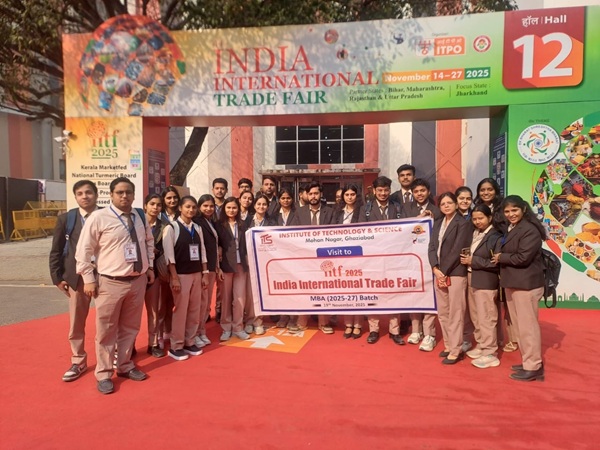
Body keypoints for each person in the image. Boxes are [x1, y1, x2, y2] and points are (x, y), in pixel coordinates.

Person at [76, 177, 154, 394]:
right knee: (106, 330)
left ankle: (125, 365)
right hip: (110, 283)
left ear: (134, 194)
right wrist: (88, 279)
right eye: (120, 192)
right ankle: (103, 373)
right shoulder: (99, 217)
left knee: (130, 328)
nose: (124, 196)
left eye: (128, 192)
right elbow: (83, 251)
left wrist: (149, 267)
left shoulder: (139, 216)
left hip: (137, 281)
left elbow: (148, 242)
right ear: (111, 195)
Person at [492, 195, 546, 382]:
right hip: (514, 283)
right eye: (507, 211)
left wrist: (501, 257)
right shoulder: (513, 227)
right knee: (520, 327)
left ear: (523, 209)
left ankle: (534, 366)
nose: (510, 214)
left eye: (514, 210)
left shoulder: (530, 230)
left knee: (527, 327)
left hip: (526, 284)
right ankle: (529, 361)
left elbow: (523, 257)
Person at [49, 180, 99, 382]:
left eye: (88, 192)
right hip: (76, 277)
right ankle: (78, 360)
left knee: (108, 321)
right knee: (77, 323)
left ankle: (112, 356)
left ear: (96, 194)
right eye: (80, 193)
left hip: (104, 275)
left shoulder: (107, 215)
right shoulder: (66, 219)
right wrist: (57, 277)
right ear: (76, 197)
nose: (84, 196)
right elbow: (56, 250)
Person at [162, 195, 209, 361]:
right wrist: (174, 277)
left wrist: (204, 273)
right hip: (180, 275)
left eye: (194, 207)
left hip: (196, 273)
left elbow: (202, 251)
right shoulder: (172, 228)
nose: (191, 210)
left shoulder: (197, 228)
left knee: (195, 309)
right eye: (187, 206)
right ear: (180, 208)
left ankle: (190, 341)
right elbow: (169, 256)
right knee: (181, 311)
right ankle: (176, 346)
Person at [427, 192, 472, 364]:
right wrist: (435, 267)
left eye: (449, 203)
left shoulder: (463, 223)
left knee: (456, 313)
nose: (446, 206)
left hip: (455, 273)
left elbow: (457, 249)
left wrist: (443, 271)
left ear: (456, 204)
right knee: (443, 312)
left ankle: (456, 349)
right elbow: (431, 247)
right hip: (439, 273)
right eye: (443, 204)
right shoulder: (438, 223)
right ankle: (448, 345)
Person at [473, 178, 517, 353]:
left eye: (489, 189)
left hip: (502, 258)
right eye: (482, 190)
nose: (486, 193)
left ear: (496, 191)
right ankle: (495, 339)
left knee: (507, 303)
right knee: (489, 306)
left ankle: (513, 339)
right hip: (485, 264)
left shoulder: (503, 209)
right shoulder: (476, 210)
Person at [363, 176, 405, 345]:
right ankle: (374, 329)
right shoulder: (365, 209)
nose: (383, 193)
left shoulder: (398, 207)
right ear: (374, 191)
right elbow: (358, 232)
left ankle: (394, 330)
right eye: (379, 190)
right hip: (372, 258)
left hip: (394, 258)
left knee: (394, 293)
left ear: (389, 190)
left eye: (386, 190)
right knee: (373, 293)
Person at [289, 181, 335, 334]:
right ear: (306, 195)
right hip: (305, 258)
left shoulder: (330, 212)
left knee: (324, 290)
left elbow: (335, 234)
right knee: (304, 289)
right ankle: (301, 322)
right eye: (310, 194)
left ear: (321, 194)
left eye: (316, 193)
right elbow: (293, 234)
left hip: (324, 257)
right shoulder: (299, 212)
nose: (313, 196)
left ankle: (324, 322)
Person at [460, 204, 502, 369]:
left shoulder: (495, 236)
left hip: (486, 280)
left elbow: (496, 263)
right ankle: (481, 344)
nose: (478, 221)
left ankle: (490, 353)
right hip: (472, 277)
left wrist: (473, 261)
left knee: (487, 317)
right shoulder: (474, 233)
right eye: (475, 219)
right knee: (476, 316)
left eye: (481, 218)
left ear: (489, 218)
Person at [216, 197, 251, 341]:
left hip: (241, 264)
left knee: (240, 298)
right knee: (226, 298)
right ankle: (226, 328)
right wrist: (218, 267)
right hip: (226, 265)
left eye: (234, 208)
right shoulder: (219, 225)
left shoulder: (243, 224)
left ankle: (238, 327)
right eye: (229, 207)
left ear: (238, 209)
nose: (231, 210)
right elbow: (216, 245)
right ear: (224, 209)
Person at [335, 183, 365, 339]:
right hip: (341, 256)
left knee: (357, 290)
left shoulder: (363, 210)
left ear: (356, 195)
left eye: (352, 194)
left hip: (358, 255)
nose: (349, 197)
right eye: (346, 195)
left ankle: (358, 325)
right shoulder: (337, 211)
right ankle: (348, 324)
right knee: (345, 290)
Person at [193, 194, 223, 347]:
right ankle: (194, 334)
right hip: (202, 268)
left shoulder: (211, 222)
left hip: (212, 267)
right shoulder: (197, 222)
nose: (209, 208)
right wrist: (204, 269)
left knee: (205, 303)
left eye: (211, 206)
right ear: (199, 207)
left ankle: (201, 331)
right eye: (205, 206)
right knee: (199, 303)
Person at [245, 193, 275, 335]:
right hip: (249, 261)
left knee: (261, 293)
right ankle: (249, 320)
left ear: (267, 206)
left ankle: (258, 321)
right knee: (250, 294)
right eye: (259, 204)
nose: (261, 207)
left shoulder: (272, 222)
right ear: (254, 205)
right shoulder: (246, 221)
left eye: (264, 204)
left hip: (265, 262)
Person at [143, 193, 168, 358]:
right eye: (152, 204)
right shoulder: (136, 222)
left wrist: (158, 251)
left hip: (155, 273)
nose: (155, 207)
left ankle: (153, 344)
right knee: (130, 314)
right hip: (135, 272)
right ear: (145, 205)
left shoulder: (164, 226)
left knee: (154, 310)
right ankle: (128, 346)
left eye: (158, 205)